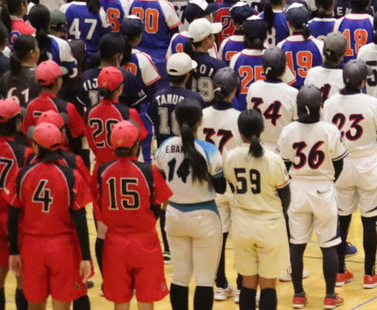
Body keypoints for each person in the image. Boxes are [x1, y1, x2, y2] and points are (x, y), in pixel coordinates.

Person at [10, 123, 94, 310]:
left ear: (36, 147)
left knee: (35, 304)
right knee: (62, 305)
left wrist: (14, 251)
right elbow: (80, 219)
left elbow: (13, 216)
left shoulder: (22, 174)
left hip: (32, 246)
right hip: (63, 247)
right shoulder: (71, 176)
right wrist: (86, 256)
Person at [278, 86, 347, 310]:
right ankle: (329, 296)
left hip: (297, 188)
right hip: (323, 189)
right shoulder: (330, 130)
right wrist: (328, 179)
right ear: (321, 106)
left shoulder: (288, 130)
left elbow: (284, 164)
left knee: (296, 244)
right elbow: (339, 163)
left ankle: (298, 295)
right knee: (328, 244)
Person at [324, 60, 377, 288]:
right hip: (368, 165)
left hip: (341, 164)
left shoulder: (330, 103)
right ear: (364, 80)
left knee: (342, 219)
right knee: (369, 220)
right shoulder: (372, 103)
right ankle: (369, 274)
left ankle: (340, 271)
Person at [156, 100, 226, 310]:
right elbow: (221, 187)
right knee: (204, 279)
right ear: (200, 121)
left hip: (174, 214)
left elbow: (160, 181)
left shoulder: (164, 146)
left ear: (176, 120)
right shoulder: (208, 149)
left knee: (179, 277)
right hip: (204, 216)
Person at [95, 120, 173, 310]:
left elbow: (98, 207)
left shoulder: (102, 171)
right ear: (137, 145)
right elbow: (160, 204)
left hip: (115, 243)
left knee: (120, 300)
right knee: (146, 299)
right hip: (145, 241)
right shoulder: (149, 171)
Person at [223, 110, 292, 310]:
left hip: (242, 224)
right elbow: (285, 196)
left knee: (247, 283)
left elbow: (231, 186)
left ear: (239, 130)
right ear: (262, 129)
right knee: (269, 285)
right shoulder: (273, 159)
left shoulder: (230, 157)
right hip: (270, 224)